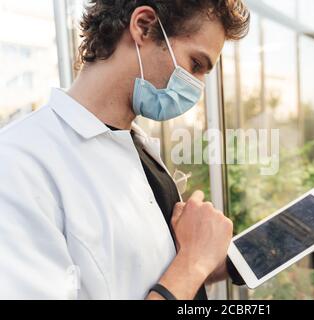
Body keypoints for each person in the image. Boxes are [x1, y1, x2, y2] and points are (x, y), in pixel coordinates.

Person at [0, 0, 250, 300]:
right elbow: (183, 270)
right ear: (143, 26)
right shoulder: (17, 164)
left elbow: (151, 272)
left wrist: (216, 255)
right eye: (195, 64)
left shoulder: (138, 147)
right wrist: (193, 262)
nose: (197, 88)